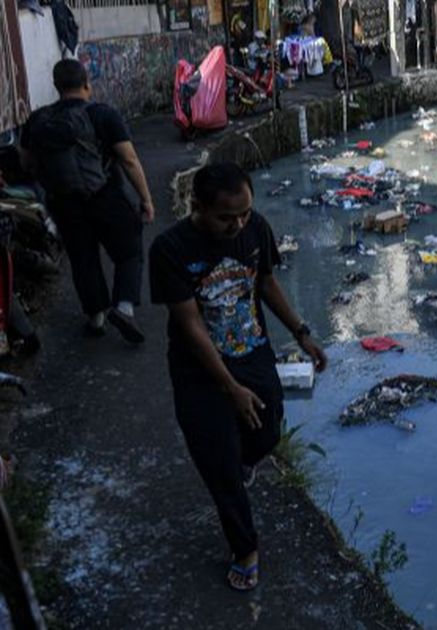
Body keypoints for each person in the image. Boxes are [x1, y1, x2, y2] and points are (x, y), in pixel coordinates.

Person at [149, 162, 327, 591]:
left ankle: (248, 457)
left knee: (267, 434)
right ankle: (245, 547)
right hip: (200, 372)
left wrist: (302, 334)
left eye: (245, 213)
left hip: (253, 354)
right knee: (219, 468)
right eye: (227, 217)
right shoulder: (170, 250)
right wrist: (230, 388)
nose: (239, 224)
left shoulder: (256, 228)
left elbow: (265, 283)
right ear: (198, 207)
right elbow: (190, 324)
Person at [19, 59, 154, 342]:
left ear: (57, 87)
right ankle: (125, 308)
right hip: (104, 196)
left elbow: (27, 163)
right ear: (86, 84)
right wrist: (145, 199)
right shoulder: (102, 114)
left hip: (64, 203)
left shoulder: (38, 120)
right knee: (129, 251)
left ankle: (96, 318)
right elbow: (128, 160)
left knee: (83, 259)